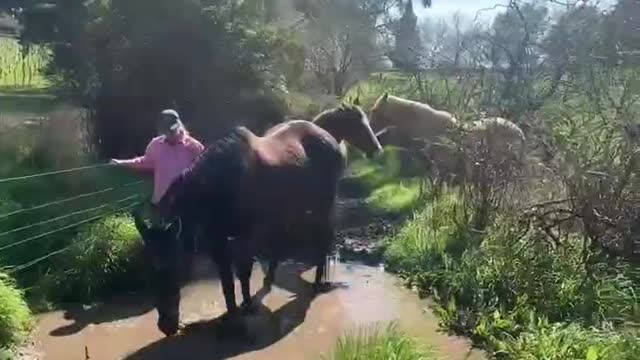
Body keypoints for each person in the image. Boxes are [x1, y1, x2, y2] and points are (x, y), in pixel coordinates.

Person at [111, 109, 205, 274]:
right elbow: (145, 162)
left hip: (186, 202)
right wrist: (121, 163)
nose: (170, 134)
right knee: (164, 239)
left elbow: (203, 170)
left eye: (173, 130)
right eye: (167, 131)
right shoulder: (156, 145)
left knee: (187, 237)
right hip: (163, 201)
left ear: (179, 126)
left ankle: (187, 270)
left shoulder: (194, 147)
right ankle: (167, 271)